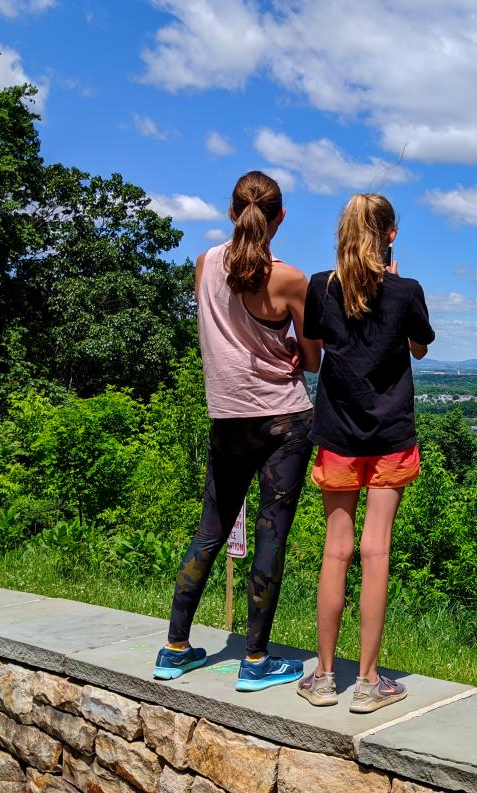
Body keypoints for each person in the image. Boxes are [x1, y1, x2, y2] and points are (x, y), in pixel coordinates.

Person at [154, 171, 320, 692]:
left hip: (227, 418)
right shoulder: (292, 280)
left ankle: (175, 647)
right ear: (280, 218)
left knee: (210, 529)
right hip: (284, 418)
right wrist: (290, 351)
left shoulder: (204, 265)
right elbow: (312, 360)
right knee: (272, 536)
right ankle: (254, 659)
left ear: (231, 212)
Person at [296, 193, 434, 713]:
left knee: (337, 550)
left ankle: (325, 677)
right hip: (391, 436)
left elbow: (316, 351)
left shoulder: (319, 288)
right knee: (376, 550)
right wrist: (393, 285)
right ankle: (370, 682)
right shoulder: (406, 292)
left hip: (336, 433)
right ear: (391, 235)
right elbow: (419, 346)